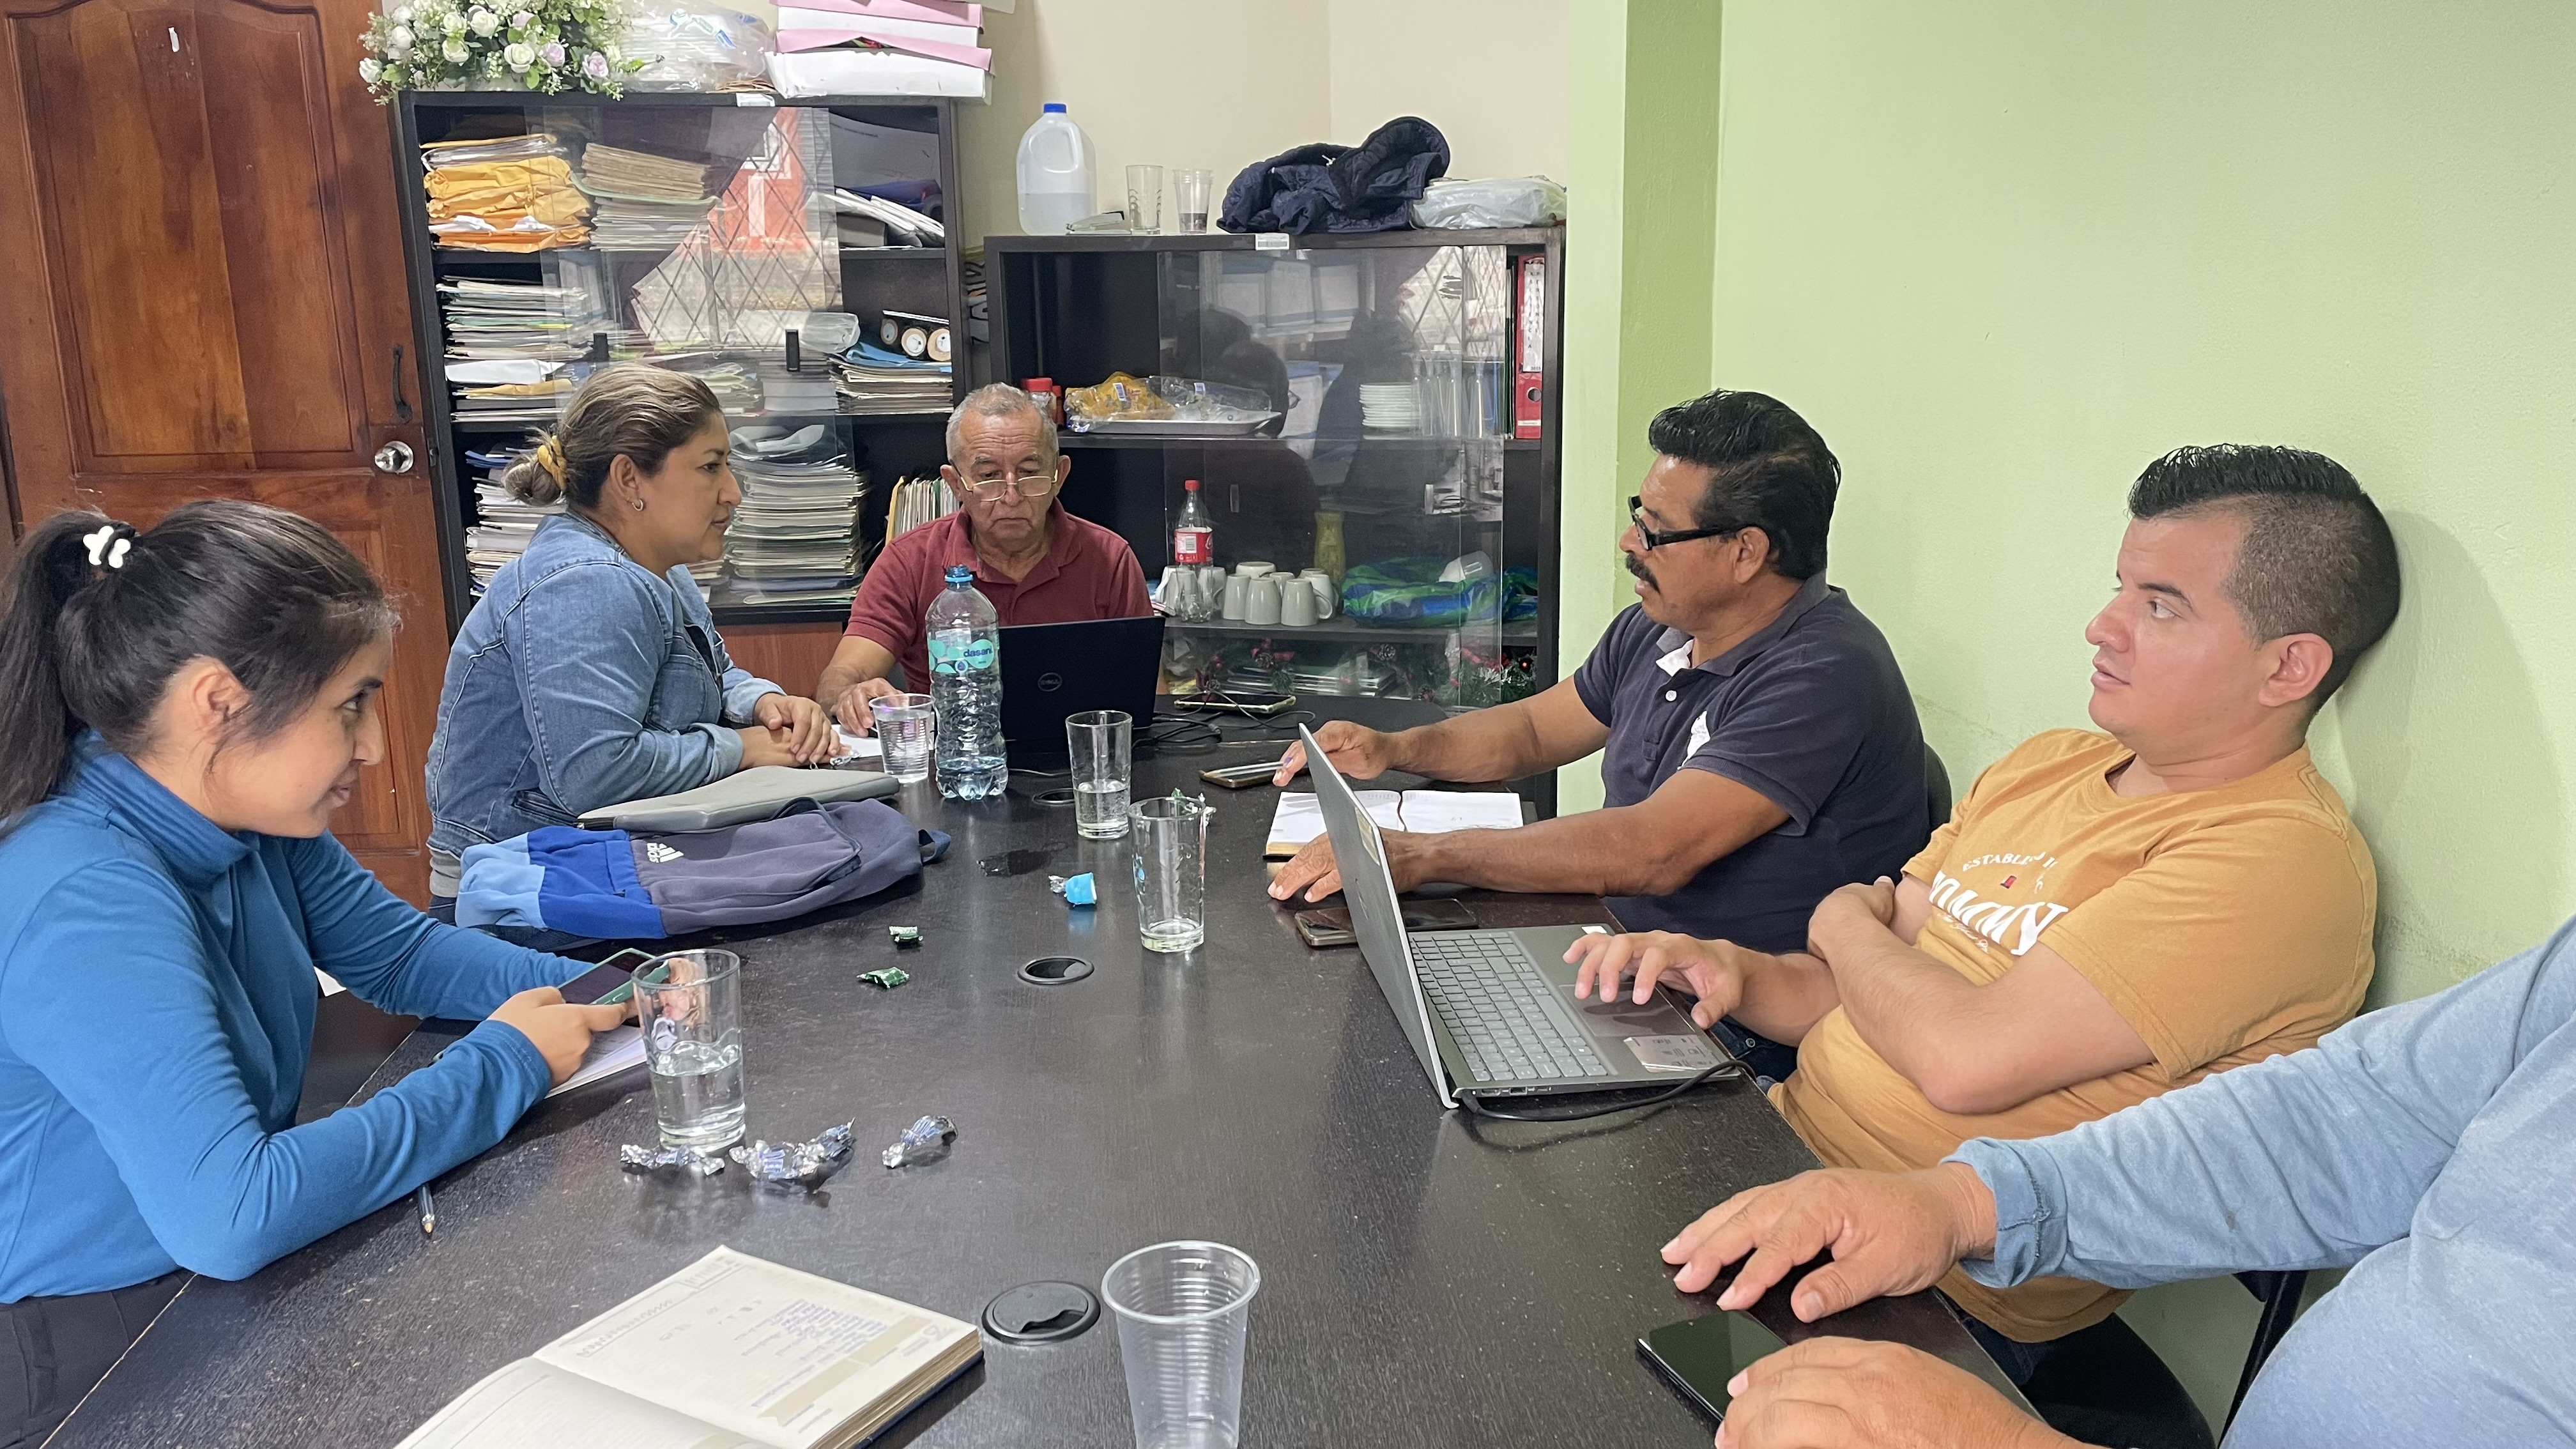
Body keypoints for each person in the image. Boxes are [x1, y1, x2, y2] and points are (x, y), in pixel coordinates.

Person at [1572, 445, 2402, 1368]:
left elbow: (1962, 1061)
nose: (2102, 627)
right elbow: (1852, 995)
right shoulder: (2048, 764)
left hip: (1940, 1284)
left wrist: (1841, 922)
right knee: (1531, 1205)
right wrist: (1735, 971)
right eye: (2121, 589)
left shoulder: (2275, 859)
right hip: (1781, 1146)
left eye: (2161, 606)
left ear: (2289, 668)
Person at [0, 503, 627, 1448]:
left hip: (198, 1282)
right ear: (217, 701)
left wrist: (615, 989)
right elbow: (232, 1211)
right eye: (350, 705)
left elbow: (403, 954)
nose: (373, 745)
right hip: (91, 1353)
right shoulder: (87, 893)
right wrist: (506, 1063)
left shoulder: (239, 813)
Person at [1662, 921, 2576, 1449]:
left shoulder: (2261, 866)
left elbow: (1965, 1055)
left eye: (2161, 626)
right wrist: (1966, 1201)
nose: (2105, 646)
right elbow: (2359, 1111)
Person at [1269, 389, 1928, 960]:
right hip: (1619, 950)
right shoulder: (1662, 625)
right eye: (1639, 515)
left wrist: (1425, 854)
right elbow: (1533, 730)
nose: (1629, 542)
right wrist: (1395, 748)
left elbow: (1654, 850)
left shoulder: (1823, 674)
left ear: (1746, 553)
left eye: (1656, 531)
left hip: (1733, 1019)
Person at [426, 364, 833, 898]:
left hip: (605, 866)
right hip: (529, 893)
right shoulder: (585, 583)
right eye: (711, 467)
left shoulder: (655, 567)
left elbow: (711, 671)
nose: (733, 492)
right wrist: (741, 748)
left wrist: (763, 705)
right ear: (628, 479)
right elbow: (596, 774)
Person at [821, 383, 1153, 731]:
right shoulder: (909, 561)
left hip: (1082, 751)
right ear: (955, 484)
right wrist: (851, 695)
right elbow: (840, 678)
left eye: (1029, 472)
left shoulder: (1109, 558)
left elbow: (1144, 690)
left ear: (1059, 476)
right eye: (989, 477)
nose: (1011, 497)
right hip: (956, 754)